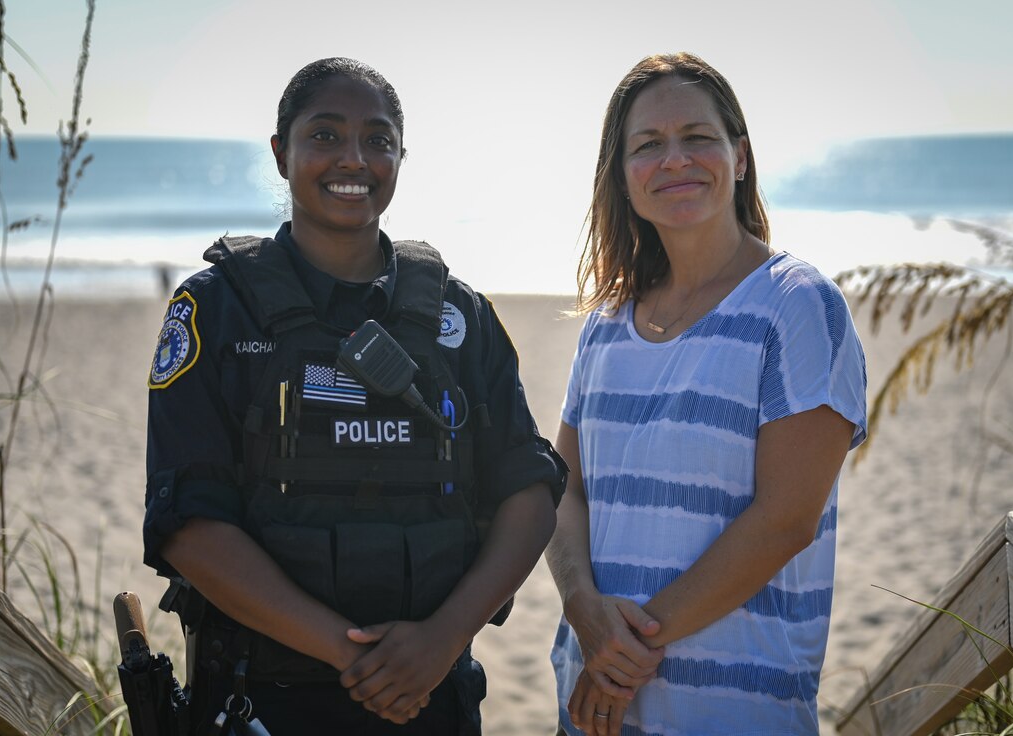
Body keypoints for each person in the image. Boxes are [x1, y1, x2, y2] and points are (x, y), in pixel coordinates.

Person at [142, 57, 565, 735]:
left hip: (432, 697)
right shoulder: (217, 309)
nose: (354, 159)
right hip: (262, 702)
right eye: (326, 136)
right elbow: (189, 524)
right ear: (282, 152)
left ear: (401, 156)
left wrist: (441, 642)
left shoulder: (461, 317)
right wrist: (351, 653)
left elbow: (529, 492)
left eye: (378, 139)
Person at [545, 52, 867, 735]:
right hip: (592, 708)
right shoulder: (604, 326)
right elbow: (564, 488)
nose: (674, 160)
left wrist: (627, 649)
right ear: (622, 176)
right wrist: (581, 606)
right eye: (648, 145)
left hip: (730, 713)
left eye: (697, 138)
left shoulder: (796, 305)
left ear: (740, 157)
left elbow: (786, 519)